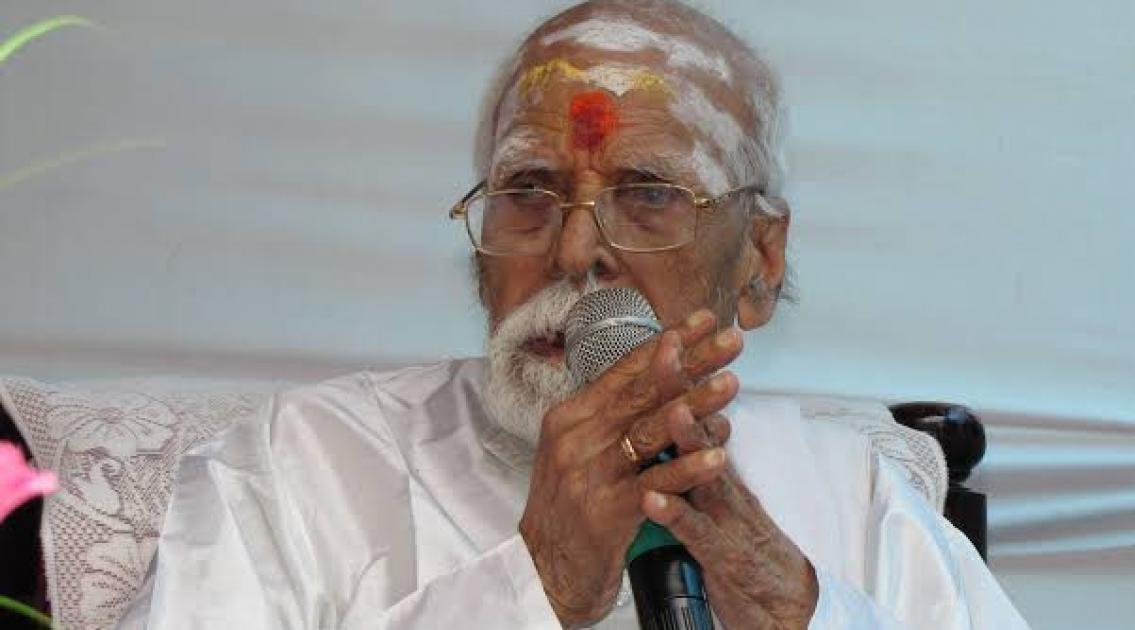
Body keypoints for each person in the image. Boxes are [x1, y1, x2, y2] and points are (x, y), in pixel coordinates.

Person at [118, 1, 1029, 628]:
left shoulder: (850, 493)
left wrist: (797, 611)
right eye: (528, 192)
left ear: (759, 263)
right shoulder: (301, 466)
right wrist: (538, 583)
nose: (573, 250)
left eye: (649, 194)